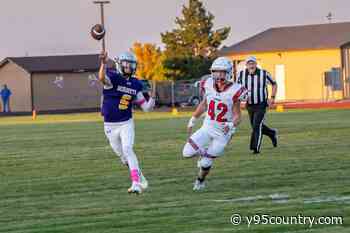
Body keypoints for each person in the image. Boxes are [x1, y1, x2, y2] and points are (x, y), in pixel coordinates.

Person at [182, 57, 247, 191]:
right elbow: (205, 104)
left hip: (222, 134)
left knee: (206, 163)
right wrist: (193, 119)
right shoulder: (208, 84)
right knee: (186, 153)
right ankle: (203, 153)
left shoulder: (235, 90)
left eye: (221, 72)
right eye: (215, 72)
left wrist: (231, 125)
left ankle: (200, 181)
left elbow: (238, 116)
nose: (217, 76)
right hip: (207, 127)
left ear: (229, 73)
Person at [99, 51, 155, 194]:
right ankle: (141, 178)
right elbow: (101, 78)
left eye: (131, 65)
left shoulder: (136, 83)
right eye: (126, 64)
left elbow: (146, 108)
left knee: (128, 149)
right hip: (110, 125)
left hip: (126, 122)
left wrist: (152, 99)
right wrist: (103, 63)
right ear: (119, 65)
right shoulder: (112, 77)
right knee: (123, 157)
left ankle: (135, 183)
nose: (129, 67)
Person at [237, 56, 278, 154]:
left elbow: (274, 84)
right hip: (249, 104)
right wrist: (239, 100)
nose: (251, 65)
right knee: (256, 126)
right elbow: (237, 88)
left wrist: (272, 97)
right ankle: (272, 133)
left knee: (256, 125)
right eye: (249, 63)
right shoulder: (241, 75)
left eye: (253, 63)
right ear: (246, 65)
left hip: (261, 103)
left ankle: (256, 148)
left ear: (256, 64)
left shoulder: (264, 73)